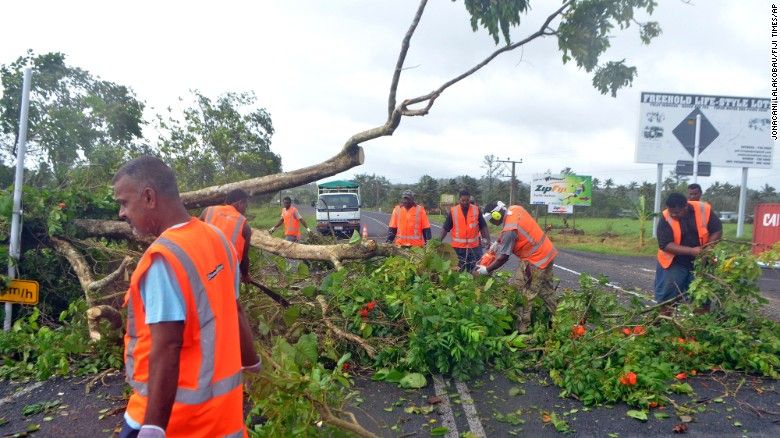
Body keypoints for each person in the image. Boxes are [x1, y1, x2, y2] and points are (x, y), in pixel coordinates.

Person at [113, 156, 258, 438]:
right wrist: (252, 362)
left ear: (149, 197)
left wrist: (154, 428)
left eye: (124, 202)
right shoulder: (219, 241)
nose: (121, 213)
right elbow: (235, 309)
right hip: (222, 421)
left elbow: (167, 346)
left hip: (172, 420)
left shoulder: (164, 259)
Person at [474, 201, 558, 333]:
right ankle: (560, 321)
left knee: (522, 294)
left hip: (534, 261)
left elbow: (503, 257)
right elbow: (514, 228)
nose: (492, 224)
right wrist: (497, 242)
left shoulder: (509, 231)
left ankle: (522, 331)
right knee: (545, 291)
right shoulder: (515, 209)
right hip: (547, 254)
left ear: (496, 215)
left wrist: (487, 270)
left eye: (492, 221)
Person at [655, 192, 722, 306]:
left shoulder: (703, 209)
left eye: (676, 212)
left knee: (701, 298)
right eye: (671, 212)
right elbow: (665, 244)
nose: (673, 215)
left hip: (701, 261)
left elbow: (717, 230)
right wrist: (691, 251)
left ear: (685, 207)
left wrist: (708, 249)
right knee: (667, 298)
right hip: (674, 261)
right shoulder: (665, 217)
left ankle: (700, 321)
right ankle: (664, 320)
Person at [200, 188, 252, 282]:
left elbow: (194, 232)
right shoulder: (244, 226)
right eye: (245, 206)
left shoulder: (208, 211)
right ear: (240, 203)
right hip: (227, 275)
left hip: (203, 267)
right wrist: (245, 275)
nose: (245, 210)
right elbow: (244, 259)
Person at [439, 189, 491, 271]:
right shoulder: (453, 211)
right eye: (463, 200)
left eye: (467, 200)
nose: (465, 202)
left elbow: (483, 226)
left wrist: (487, 240)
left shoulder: (476, 210)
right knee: (458, 270)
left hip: (474, 248)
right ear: (459, 199)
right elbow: (445, 228)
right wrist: (438, 240)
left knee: (476, 269)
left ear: (469, 199)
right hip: (458, 249)